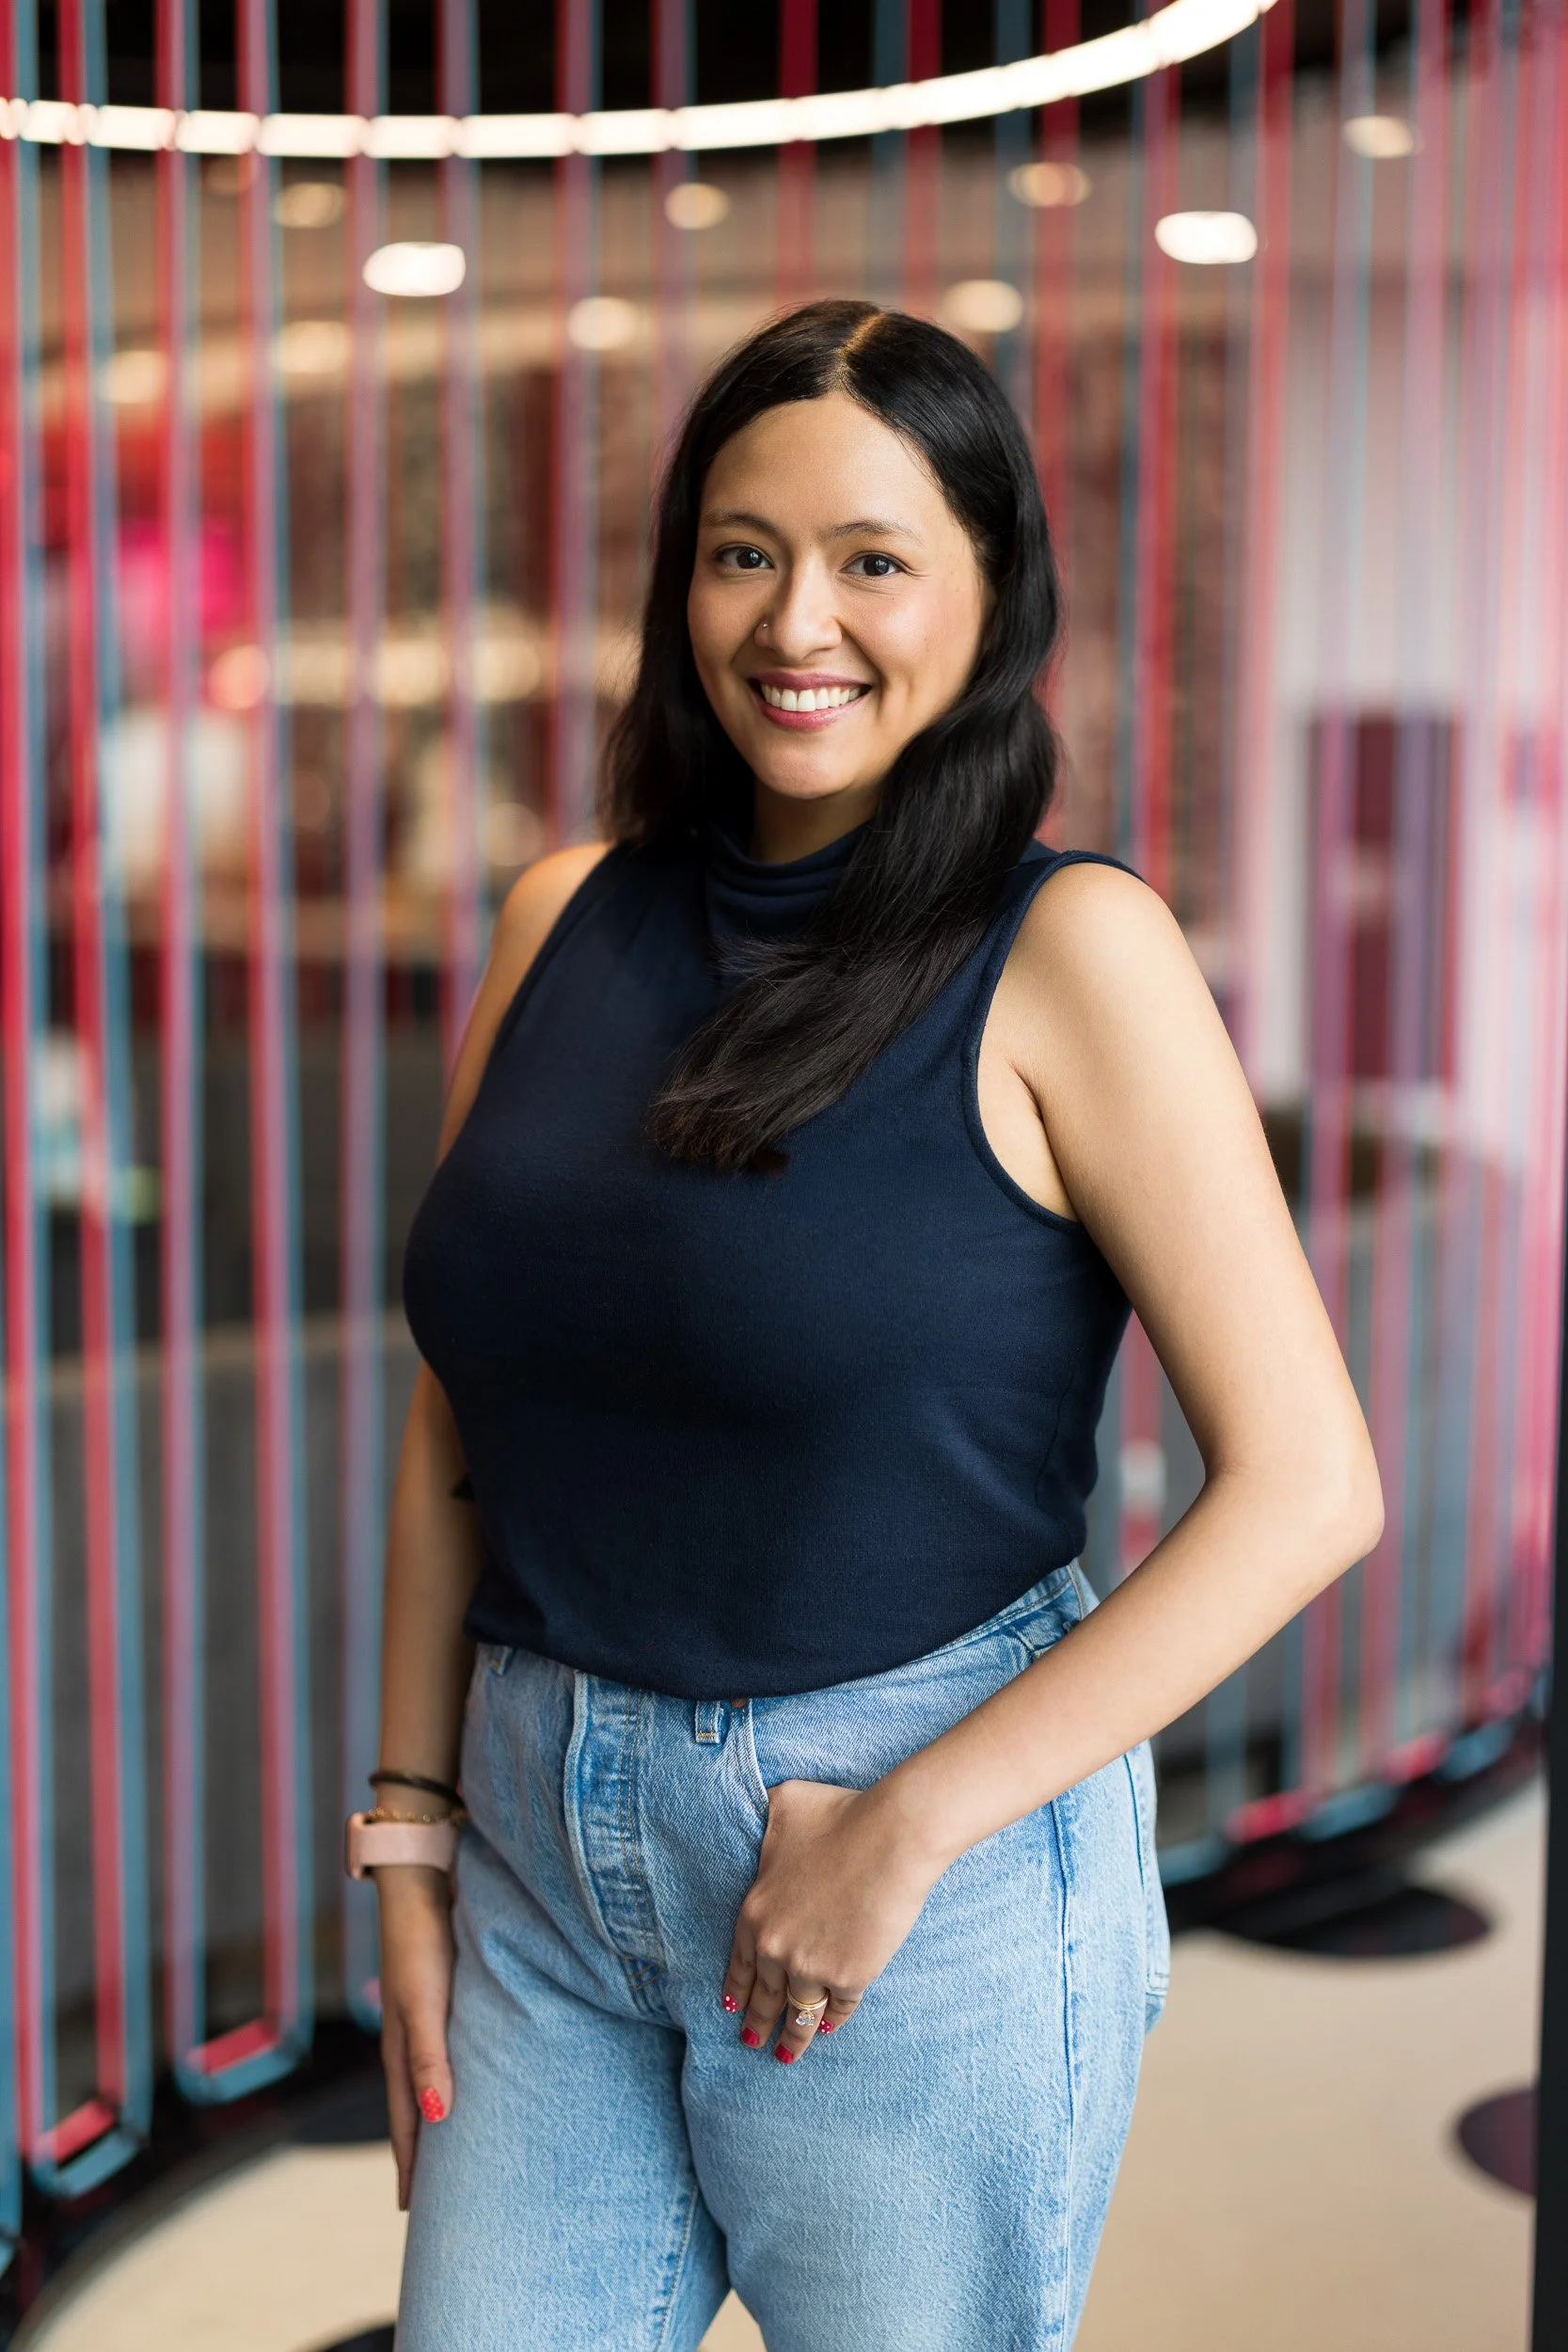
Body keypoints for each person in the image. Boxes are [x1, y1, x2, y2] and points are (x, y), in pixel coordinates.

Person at [366, 299, 1382, 2352]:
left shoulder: (1070, 949)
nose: (792, 619)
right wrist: (403, 1820)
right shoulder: (561, 912)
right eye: (741, 550)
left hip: (911, 1843)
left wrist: (911, 1820)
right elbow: (458, 1392)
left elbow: (1306, 1486)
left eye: (872, 557)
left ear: (991, 595)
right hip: (538, 1825)